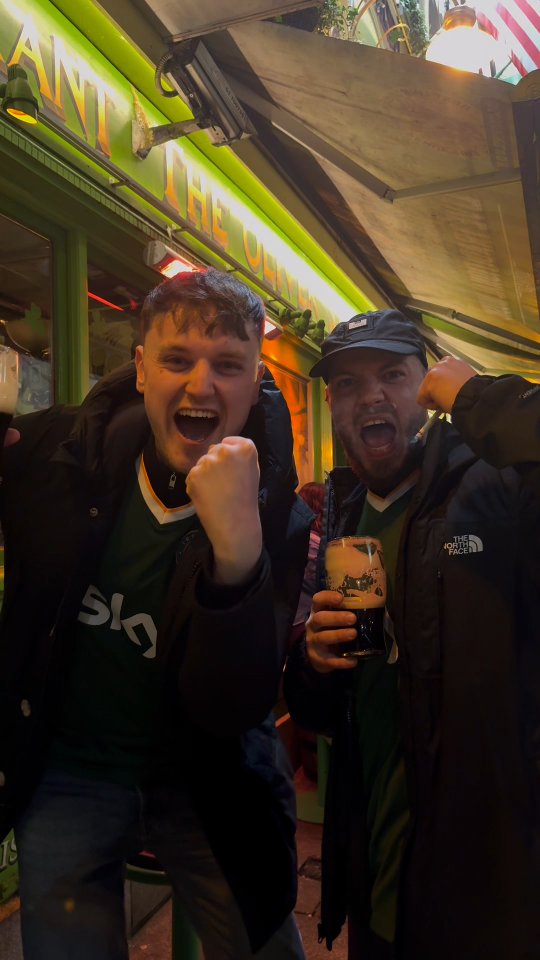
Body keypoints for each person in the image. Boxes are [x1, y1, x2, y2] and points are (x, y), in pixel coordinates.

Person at [0, 268, 313, 960]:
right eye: (178, 360)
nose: (202, 386)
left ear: (257, 379)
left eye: (228, 366)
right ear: (141, 370)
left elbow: (238, 706)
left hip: (209, 776)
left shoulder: (278, 516)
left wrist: (238, 561)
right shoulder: (52, 457)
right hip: (71, 772)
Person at [284, 310, 540, 960]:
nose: (370, 395)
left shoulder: (490, 491)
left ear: (428, 387)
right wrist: (312, 661)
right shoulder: (340, 517)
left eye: (393, 374)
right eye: (347, 383)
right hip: (377, 877)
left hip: (483, 891)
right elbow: (324, 715)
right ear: (333, 405)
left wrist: (481, 398)